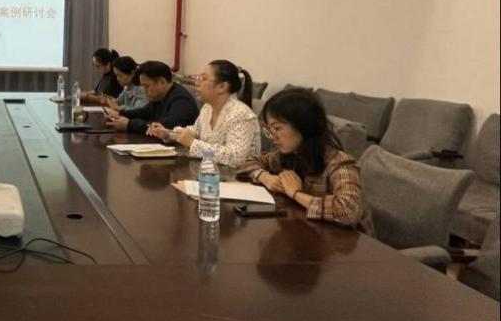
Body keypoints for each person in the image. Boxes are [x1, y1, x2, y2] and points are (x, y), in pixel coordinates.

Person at [237, 88, 375, 233]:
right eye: (269, 130)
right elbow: (242, 161)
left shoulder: (339, 163)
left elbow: (348, 211)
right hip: (306, 230)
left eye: (277, 128)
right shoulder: (288, 154)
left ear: (304, 125)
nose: (272, 136)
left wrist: (296, 193)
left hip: (346, 241)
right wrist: (264, 177)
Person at [149, 59, 260, 167]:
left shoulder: (242, 114)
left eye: (203, 78)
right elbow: (195, 131)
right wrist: (168, 134)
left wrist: (193, 143)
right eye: (198, 77)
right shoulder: (208, 107)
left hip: (238, 176)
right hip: (210, 171)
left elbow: (235, 158)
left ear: (222, 87)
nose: (196, 83)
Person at [105, 61, 198, 134]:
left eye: (146, 86)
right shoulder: (159, 97)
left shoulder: (181, 99)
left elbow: (167, 126)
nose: (144, 91)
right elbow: (144, 112)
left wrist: (129, 124)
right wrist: (120, 114)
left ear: (162, 82)